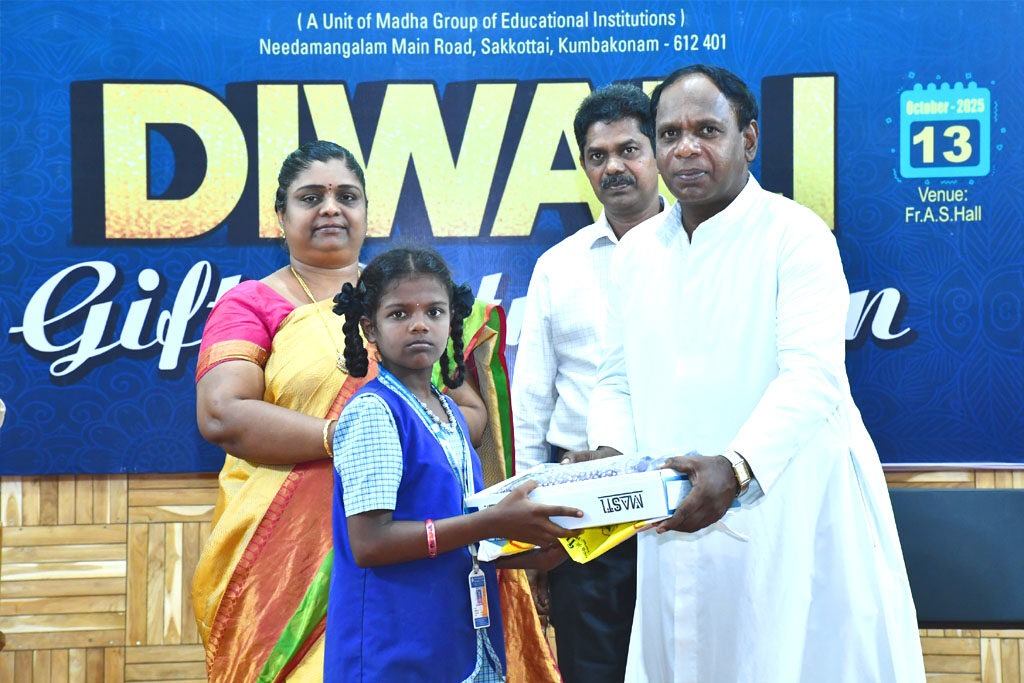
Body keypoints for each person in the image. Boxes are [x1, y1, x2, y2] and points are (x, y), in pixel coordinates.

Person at [583, 65, 927, 682]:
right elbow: (615, 379)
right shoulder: (636, 253)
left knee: (789, 655)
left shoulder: (795, 234)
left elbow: (812, 377)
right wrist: (611, 461)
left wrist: (737, 466)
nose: (685, 148)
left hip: (787, 502)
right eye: (669, 134)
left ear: (748, 139)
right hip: (672, 509)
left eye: (707, 130)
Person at [191, 141, 542, 682]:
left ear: (365, 211)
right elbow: (222, 413)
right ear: (281, 216)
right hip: (287, 561)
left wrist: (414, 435)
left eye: (346, 197)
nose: (331, 208)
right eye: (311, 197)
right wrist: (352, 437)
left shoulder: (411, 298)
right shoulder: (252, 303)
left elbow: (469, 415)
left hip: (425, 540)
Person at [326, 247, 582, 681]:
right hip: (395, 648)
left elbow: (458, 533)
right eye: (399, 314)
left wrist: (527, 554)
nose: (420, 324)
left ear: (452, 320)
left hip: (459, 637)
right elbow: (371, 543)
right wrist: (491, 523)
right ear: (369, 327)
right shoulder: (373, 412)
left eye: (434, 311)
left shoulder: (447, 411)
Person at [511, 83, 665, 682]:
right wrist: (532, 518)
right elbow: (531, 401)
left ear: (657, 151)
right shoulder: (559, 266)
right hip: (585, 508)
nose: (613, 167)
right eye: (597, 156)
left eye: (628, 150)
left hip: (683, 496)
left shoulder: (700, 250)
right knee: (593, 669)